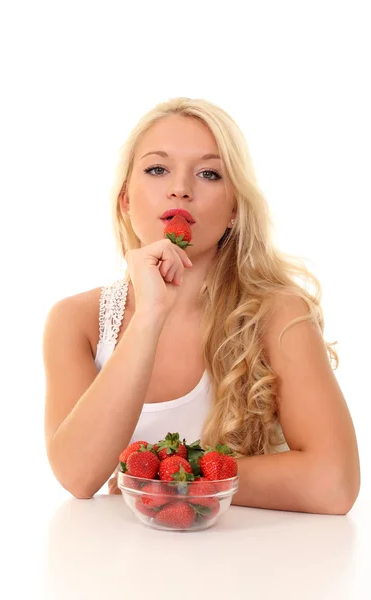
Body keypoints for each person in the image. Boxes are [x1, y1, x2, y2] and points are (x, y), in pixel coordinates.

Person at [42, 96, 360, 514]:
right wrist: (151, 315)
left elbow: (333, 483)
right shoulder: (76, 321)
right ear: (125, 200)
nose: (181, 188)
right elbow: (78, 476)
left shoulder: (279, 315)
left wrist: (169, 477)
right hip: (119, 570)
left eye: (209, 174)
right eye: (157, 169)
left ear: (233, 209)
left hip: (245, 570)